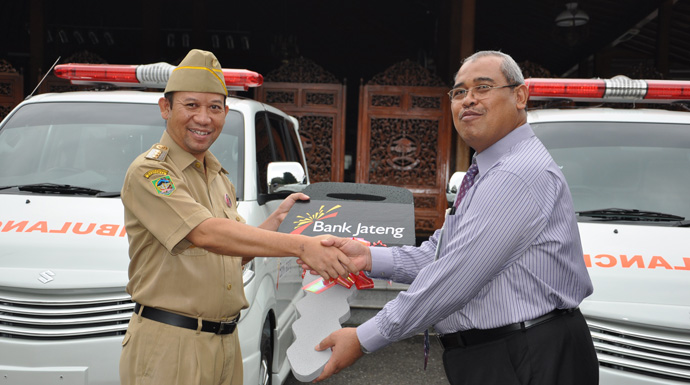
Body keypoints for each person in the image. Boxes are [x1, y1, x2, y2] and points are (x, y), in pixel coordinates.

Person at [310, 51, 599, 384]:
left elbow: (454, 276)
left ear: (520, 96)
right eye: (459, 92)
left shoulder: (516, 175)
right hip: (508, 352)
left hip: (527, 356)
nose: (468, 101)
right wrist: (369, 256)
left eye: (483, 88)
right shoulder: (489, 170)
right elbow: (442, 253)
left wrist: (364, 338)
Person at [118, 49, 355, 385]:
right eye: (191, 105)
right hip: (172, 345)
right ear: (165, 108)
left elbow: (230, 253)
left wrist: (276, 223)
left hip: (225, 343)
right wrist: (301, 246)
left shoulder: (217, 176)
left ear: (225, 113)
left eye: (215, 107)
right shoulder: (151, 172)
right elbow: (204, 233)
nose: (204, 118)